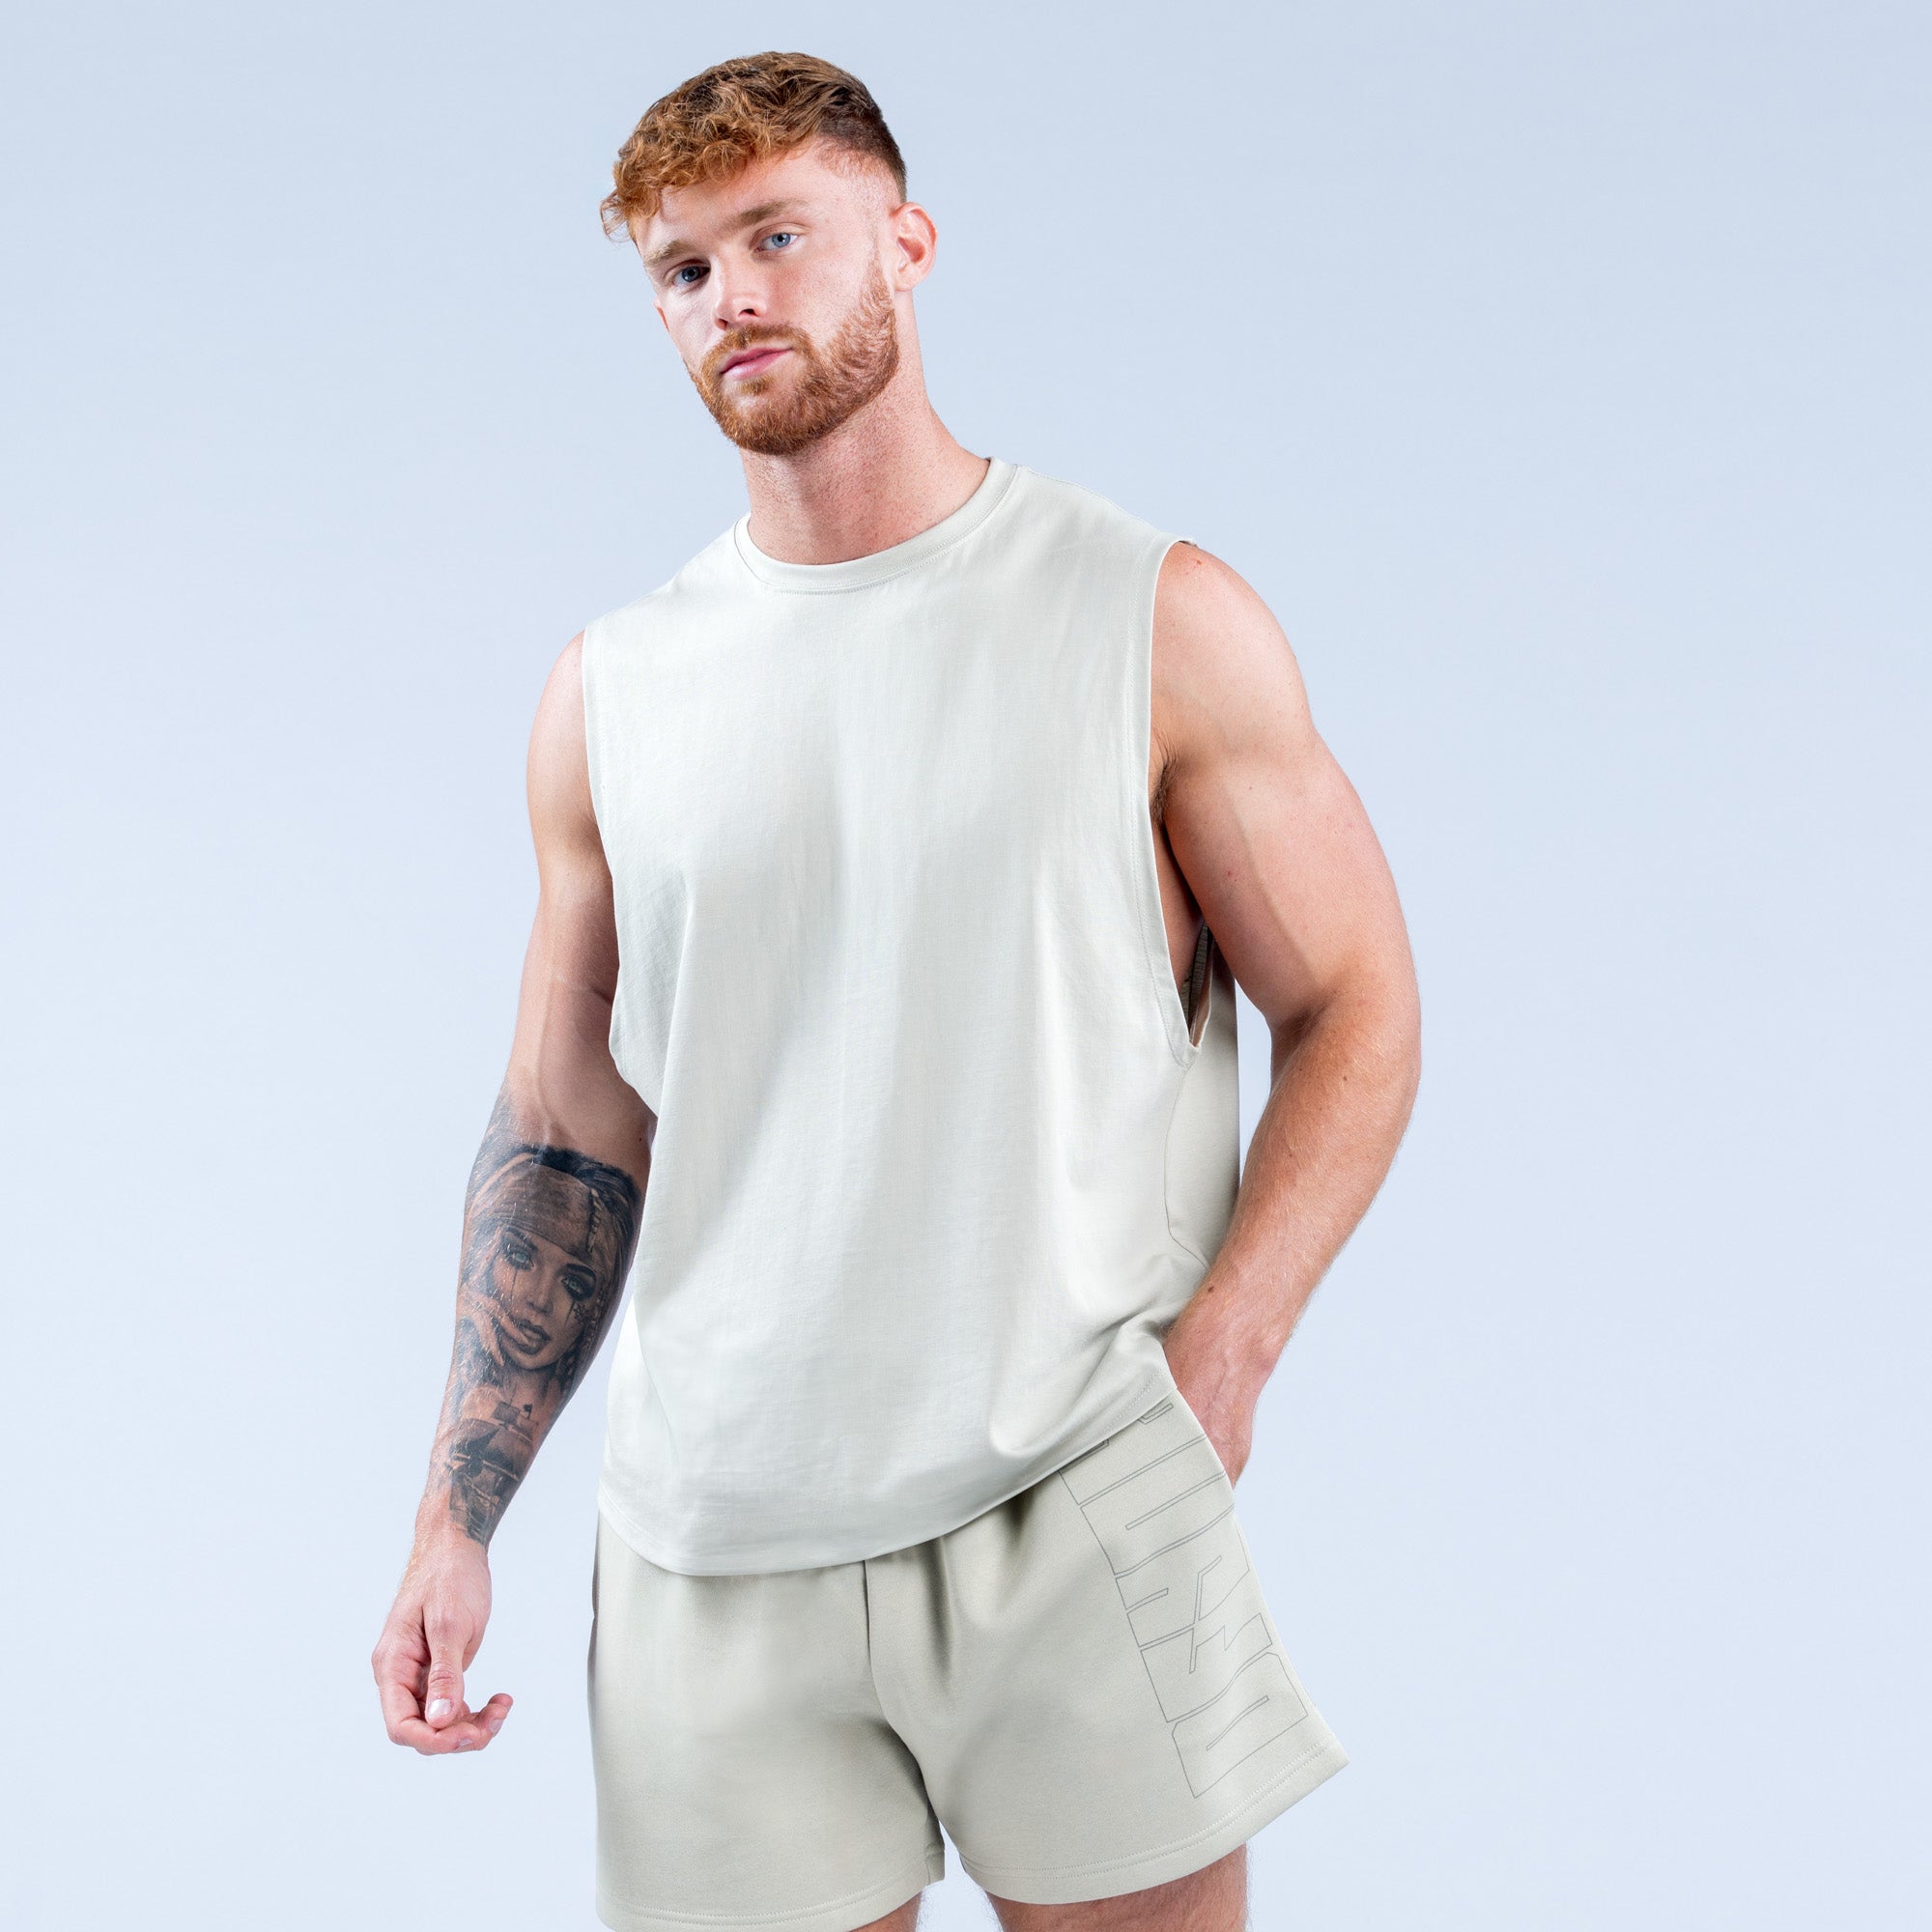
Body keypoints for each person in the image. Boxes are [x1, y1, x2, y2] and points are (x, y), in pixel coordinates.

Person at [372, 49, 1421, 1932]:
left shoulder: (1147, 617)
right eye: (685, 268)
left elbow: (1353, 1000)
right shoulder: (612, 692)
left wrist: (1230, 1352)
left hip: (1071, 1487)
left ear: (908, 244)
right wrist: (458, 1511)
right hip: (710, 1547)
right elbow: (565, 1120)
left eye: (778, 237)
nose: (733, 296)